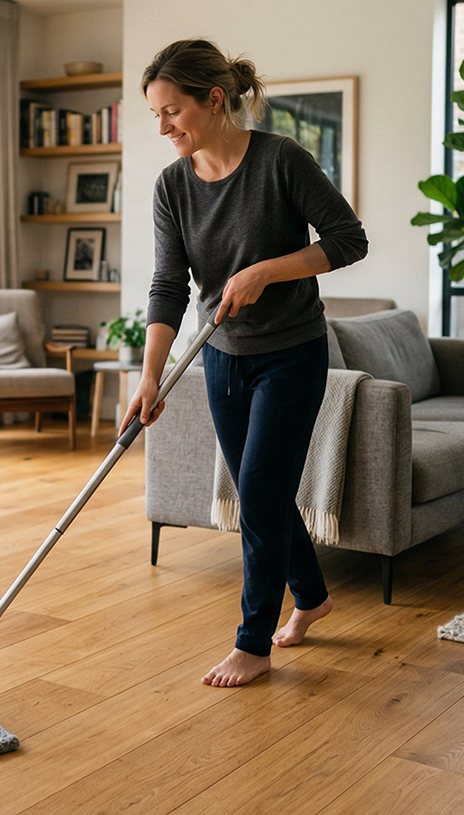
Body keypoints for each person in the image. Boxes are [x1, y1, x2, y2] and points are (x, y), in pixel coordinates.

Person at [122, 39, 368, 688]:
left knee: (256, 492)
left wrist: (266, 270)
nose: (163, 126)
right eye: (155, 114)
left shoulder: (282, 161)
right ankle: (312, 596)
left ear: (214, 100)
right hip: (222, 362)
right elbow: (168, 285)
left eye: (172, 111)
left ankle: (252, 643)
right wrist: (151, 370)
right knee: (265, 492)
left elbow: (349, 240)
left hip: (291, 355)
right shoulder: (173, 185)